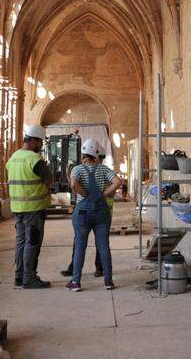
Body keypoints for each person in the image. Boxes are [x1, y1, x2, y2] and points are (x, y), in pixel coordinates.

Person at [66, 139, 121, 292]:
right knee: (103, 245)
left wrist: (84, 194)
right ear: (96, 155)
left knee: (80, 246)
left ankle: (76, 282)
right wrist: (104, 194)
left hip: (82, 213)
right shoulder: (104, 169)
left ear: (83, 154)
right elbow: (117, 182)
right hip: (101, 212)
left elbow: (73, 184)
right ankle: (108, 281)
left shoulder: (77, 169)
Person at [6, 125, 53, 289]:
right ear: (33, 141)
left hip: (17, 208)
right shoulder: (34, 159)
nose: (40, 146)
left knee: (20, 242)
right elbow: (49, 180)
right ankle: (29, 278)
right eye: (40, 142)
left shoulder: (13, 157)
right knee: (32, 243)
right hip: (34, 208)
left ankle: (19, 276)